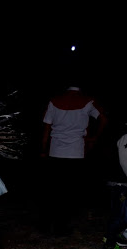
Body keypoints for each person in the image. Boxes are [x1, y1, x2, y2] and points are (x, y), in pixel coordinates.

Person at [41, 83, 108, 235]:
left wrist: (43, 150)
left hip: (55, 151)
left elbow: (46, 129)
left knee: (53, 189)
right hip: (76, 152)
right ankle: (61, 226)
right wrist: (94, 138)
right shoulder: (88, 101)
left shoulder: (54, 101)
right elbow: (104, 119)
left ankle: (46, 225)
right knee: (69, 191)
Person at [102, 129, 127, 249]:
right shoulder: (125, 138)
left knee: (120, 215)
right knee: (122, 217)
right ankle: (109, 245)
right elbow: (125, 164)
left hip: (122, 184)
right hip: (120, 185)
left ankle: (115, 238)